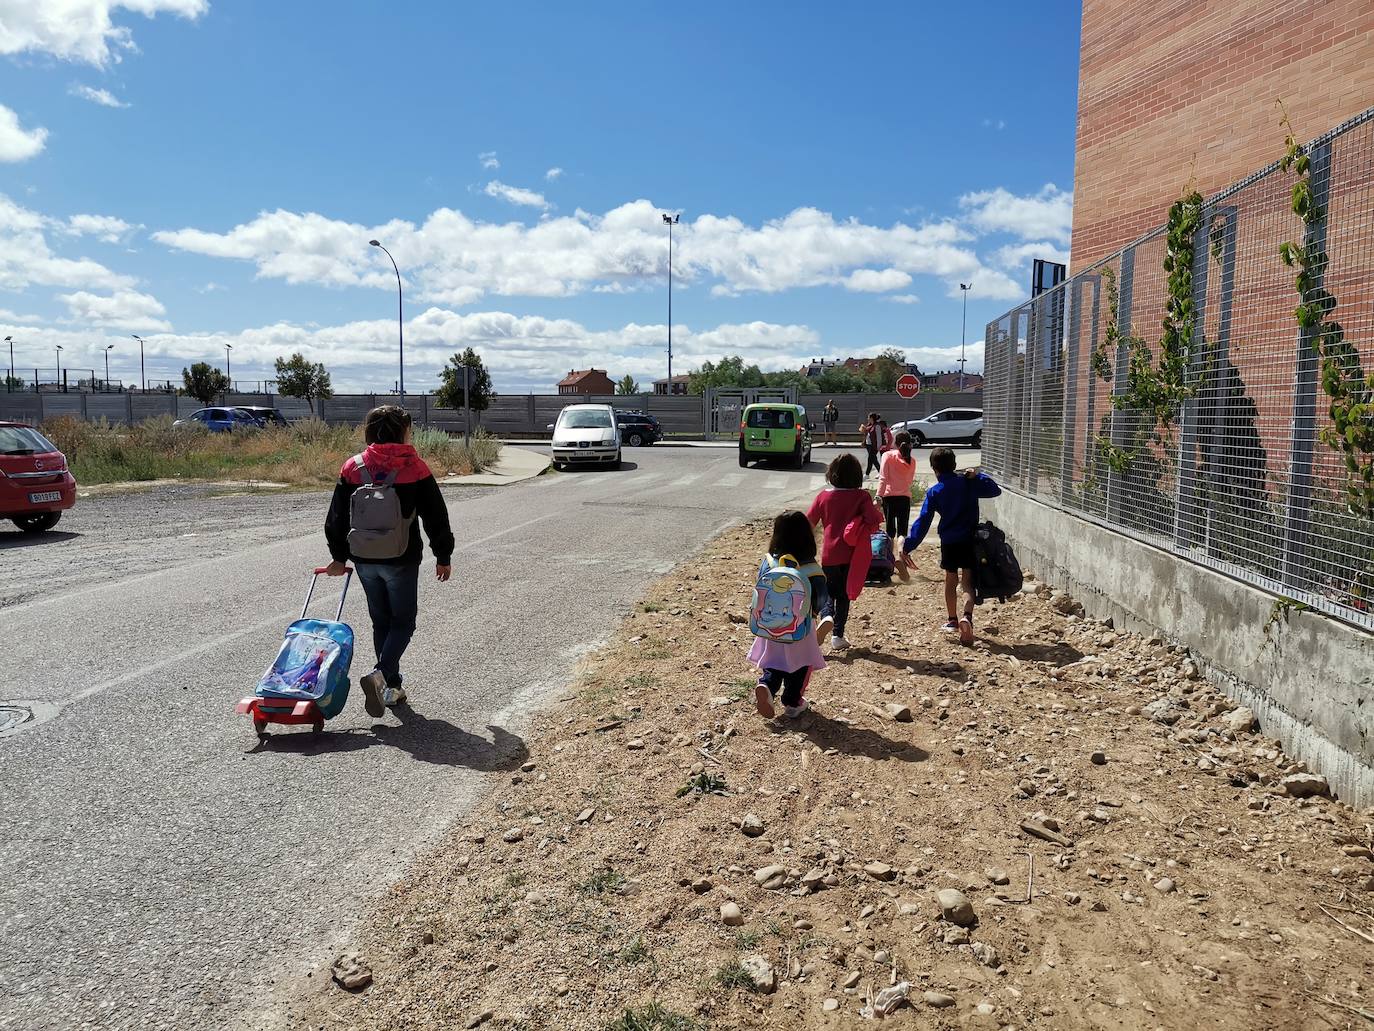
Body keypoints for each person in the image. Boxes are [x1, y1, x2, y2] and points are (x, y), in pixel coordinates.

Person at [324, 405, 454, 716]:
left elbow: (337, 518)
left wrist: (338, 556)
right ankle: (381, 674)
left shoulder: (352, 468)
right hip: (402, 558)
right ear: (402, 432)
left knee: (381, 621)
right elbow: (436, 517)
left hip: (364, 558)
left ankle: (391, 687)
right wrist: (443, 554)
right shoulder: (415, 467)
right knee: (404, 622)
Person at [899, 446, 1002, 646]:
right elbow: (994, 490)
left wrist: (909, 545)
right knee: (968, 582)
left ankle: (952, 620)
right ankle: (967, 616)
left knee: (950, 579)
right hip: (970, 540)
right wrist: (978, 476)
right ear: (955, 465)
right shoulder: (968, 483)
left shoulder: (935, 492)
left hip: (949, 541)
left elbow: (923, 522)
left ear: (934, 468)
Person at [747, 511, 828, 719]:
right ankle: (792, 703)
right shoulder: (812, 569)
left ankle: (766, 685)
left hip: (769, 625)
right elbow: (820, 601)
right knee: (800, 665)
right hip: (799, 628)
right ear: (808, 537)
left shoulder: (768, 562)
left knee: (773, 661)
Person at [806, 453, 882, 653]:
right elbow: (873, 519)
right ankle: (838, 636)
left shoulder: (823, 497)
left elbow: (809, 522)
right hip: (852, 555)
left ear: (832, 474)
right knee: (844, 595)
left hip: (829, 554)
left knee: (827, 592)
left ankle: (826, 616)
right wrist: (877, 506)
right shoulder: (861, 497)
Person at [877, 430, 917, 539]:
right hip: (904, 497)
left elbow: (883, 478)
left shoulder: (887, 455)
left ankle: (889, 554)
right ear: (910, 444)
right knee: (902, 531)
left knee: (890, 530)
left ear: (895, 443)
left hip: (888, 497)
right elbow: (909, 481)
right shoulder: (912, 461)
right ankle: (901, 553)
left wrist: (878, 496)